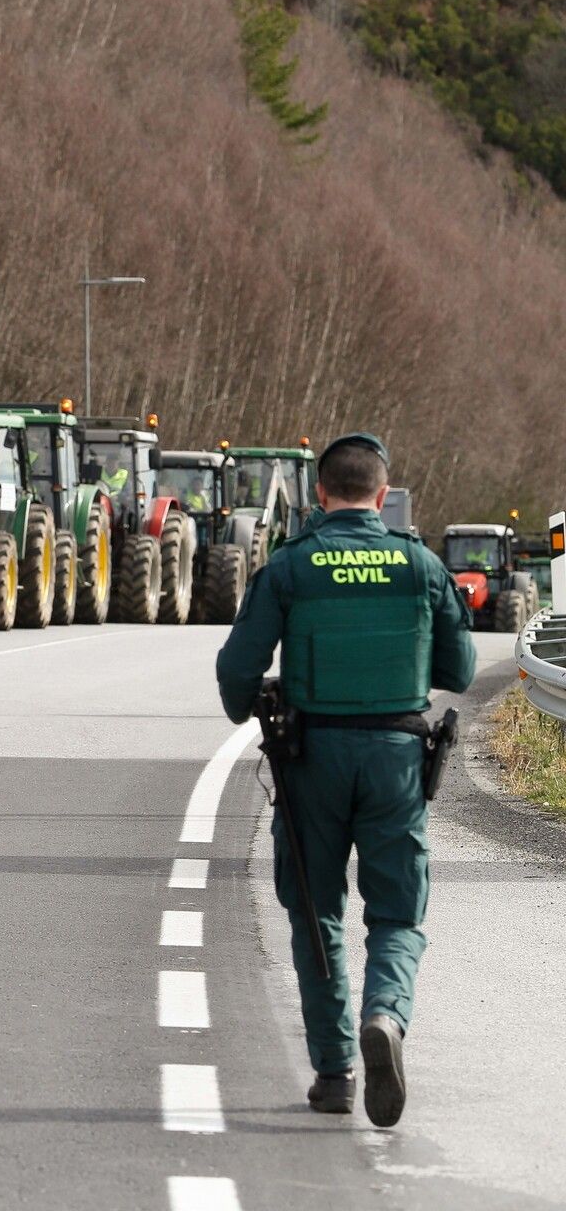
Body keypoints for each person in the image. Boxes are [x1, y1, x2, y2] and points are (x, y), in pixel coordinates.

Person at [215, 432, 474, 1127]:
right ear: (382, 497)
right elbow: (462, 672)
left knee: (315, 910)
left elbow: (237, 669)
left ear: (320, 495)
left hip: (311, 760)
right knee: (395, 911)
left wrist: (250, 704)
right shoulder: (419, 566)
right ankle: (386, 1015)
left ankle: (334, 1074)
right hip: (396, 758)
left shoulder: (291, 567)